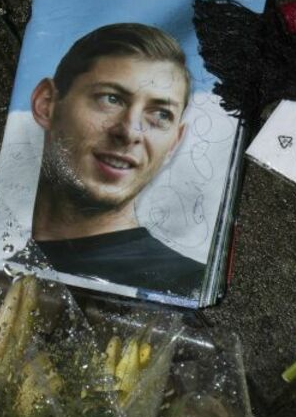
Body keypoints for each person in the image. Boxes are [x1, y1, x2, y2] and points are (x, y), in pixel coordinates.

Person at [29, 22, 206, 296]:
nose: (130, 132)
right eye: (111, 99)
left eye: (161, 115)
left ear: (175, 142)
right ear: (46, 104)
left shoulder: (187, 285)